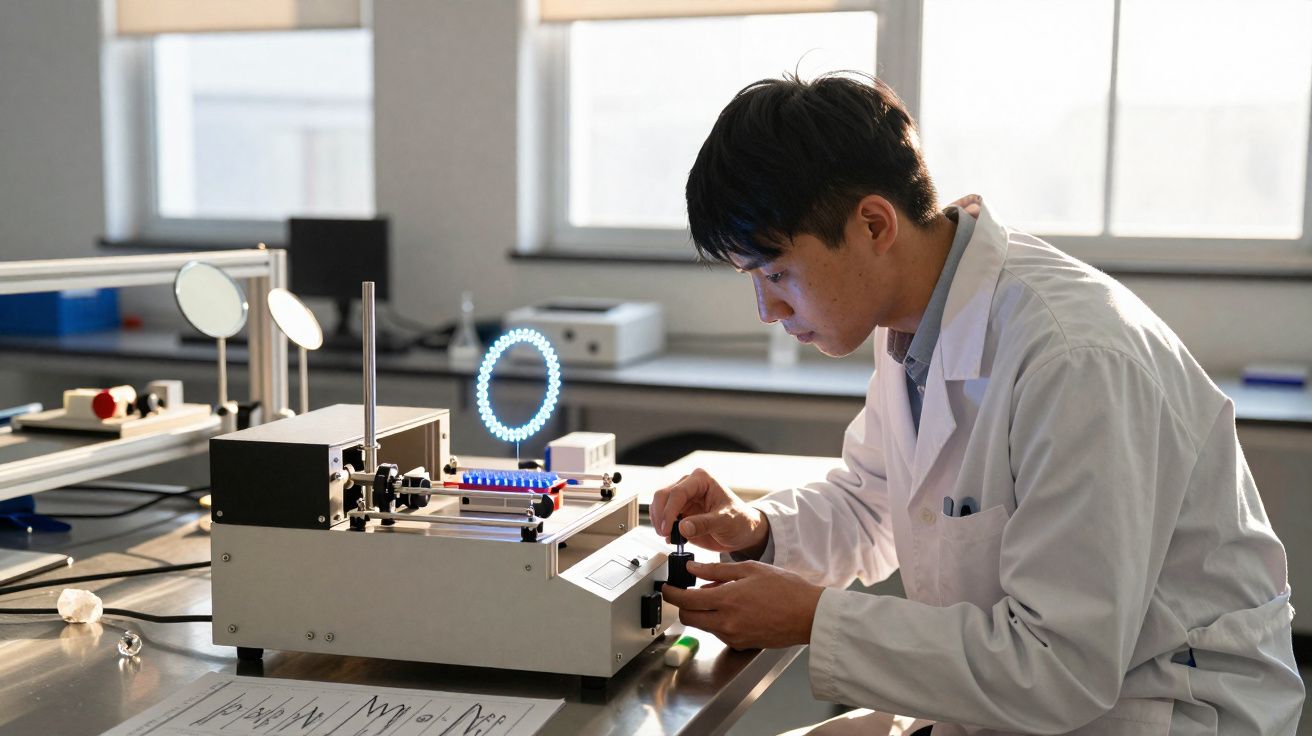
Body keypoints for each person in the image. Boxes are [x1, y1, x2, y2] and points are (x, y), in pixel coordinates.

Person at [650, 73, 1304, 735]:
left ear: (874, 224)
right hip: (1021, 703)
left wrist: (815, 620)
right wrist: (757, 531)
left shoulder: (1073, 360)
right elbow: (875, 500)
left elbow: (1060, 665)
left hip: (1158, 708)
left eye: (776, 272)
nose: (767, 310)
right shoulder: (911, 321)